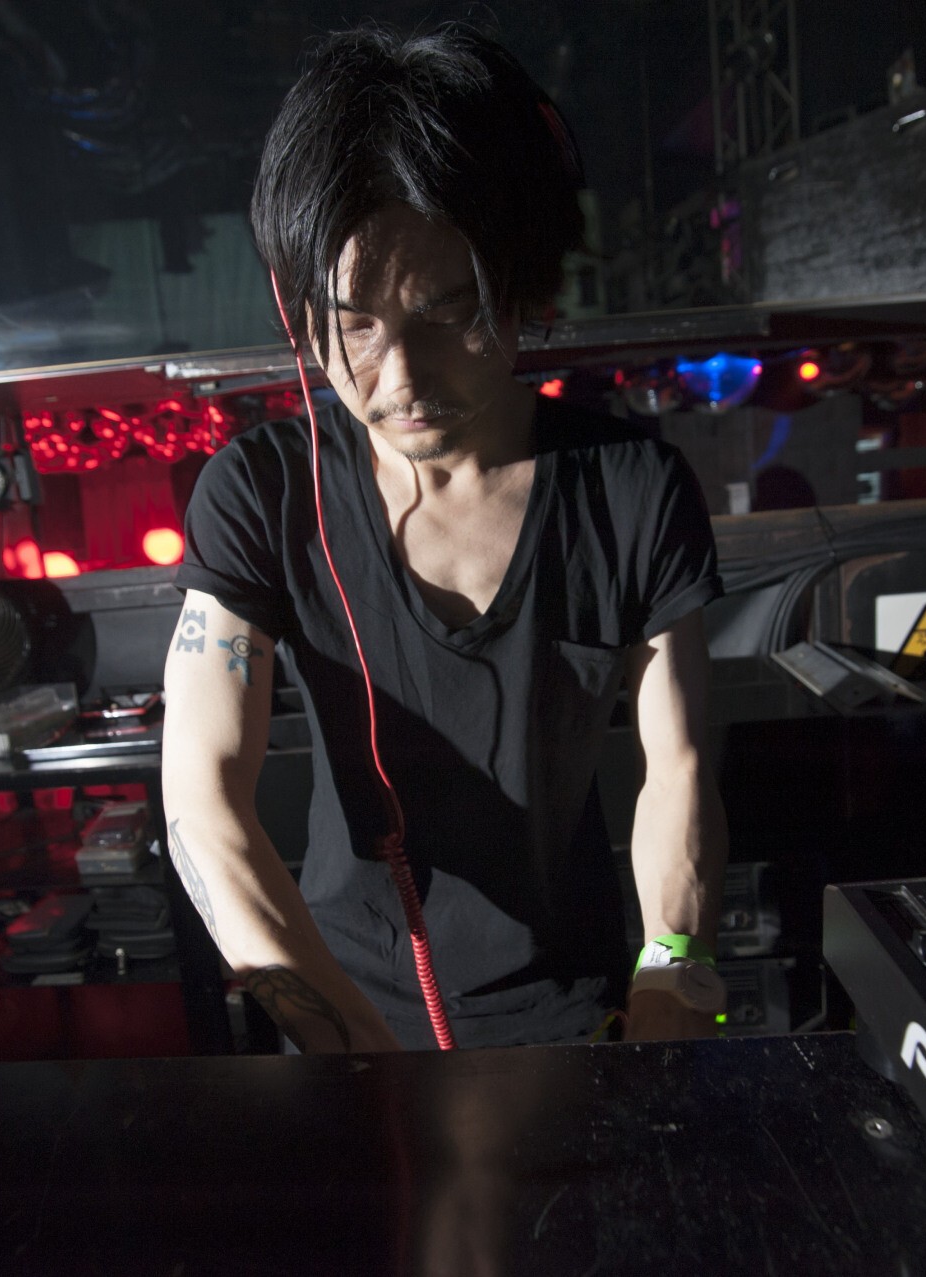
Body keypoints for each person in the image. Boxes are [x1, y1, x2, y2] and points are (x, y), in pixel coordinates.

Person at [160, 22, 727, 1052]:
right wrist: (349, 1046)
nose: (402, 378)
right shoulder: (259, 492)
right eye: (355, 324)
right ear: (298, 313)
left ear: (524, 284)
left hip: (579, 1011)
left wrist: (672, 963)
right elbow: (202, 799)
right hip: (342, 1004)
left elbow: (677, 764)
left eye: (448, 313)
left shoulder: (632, 489)